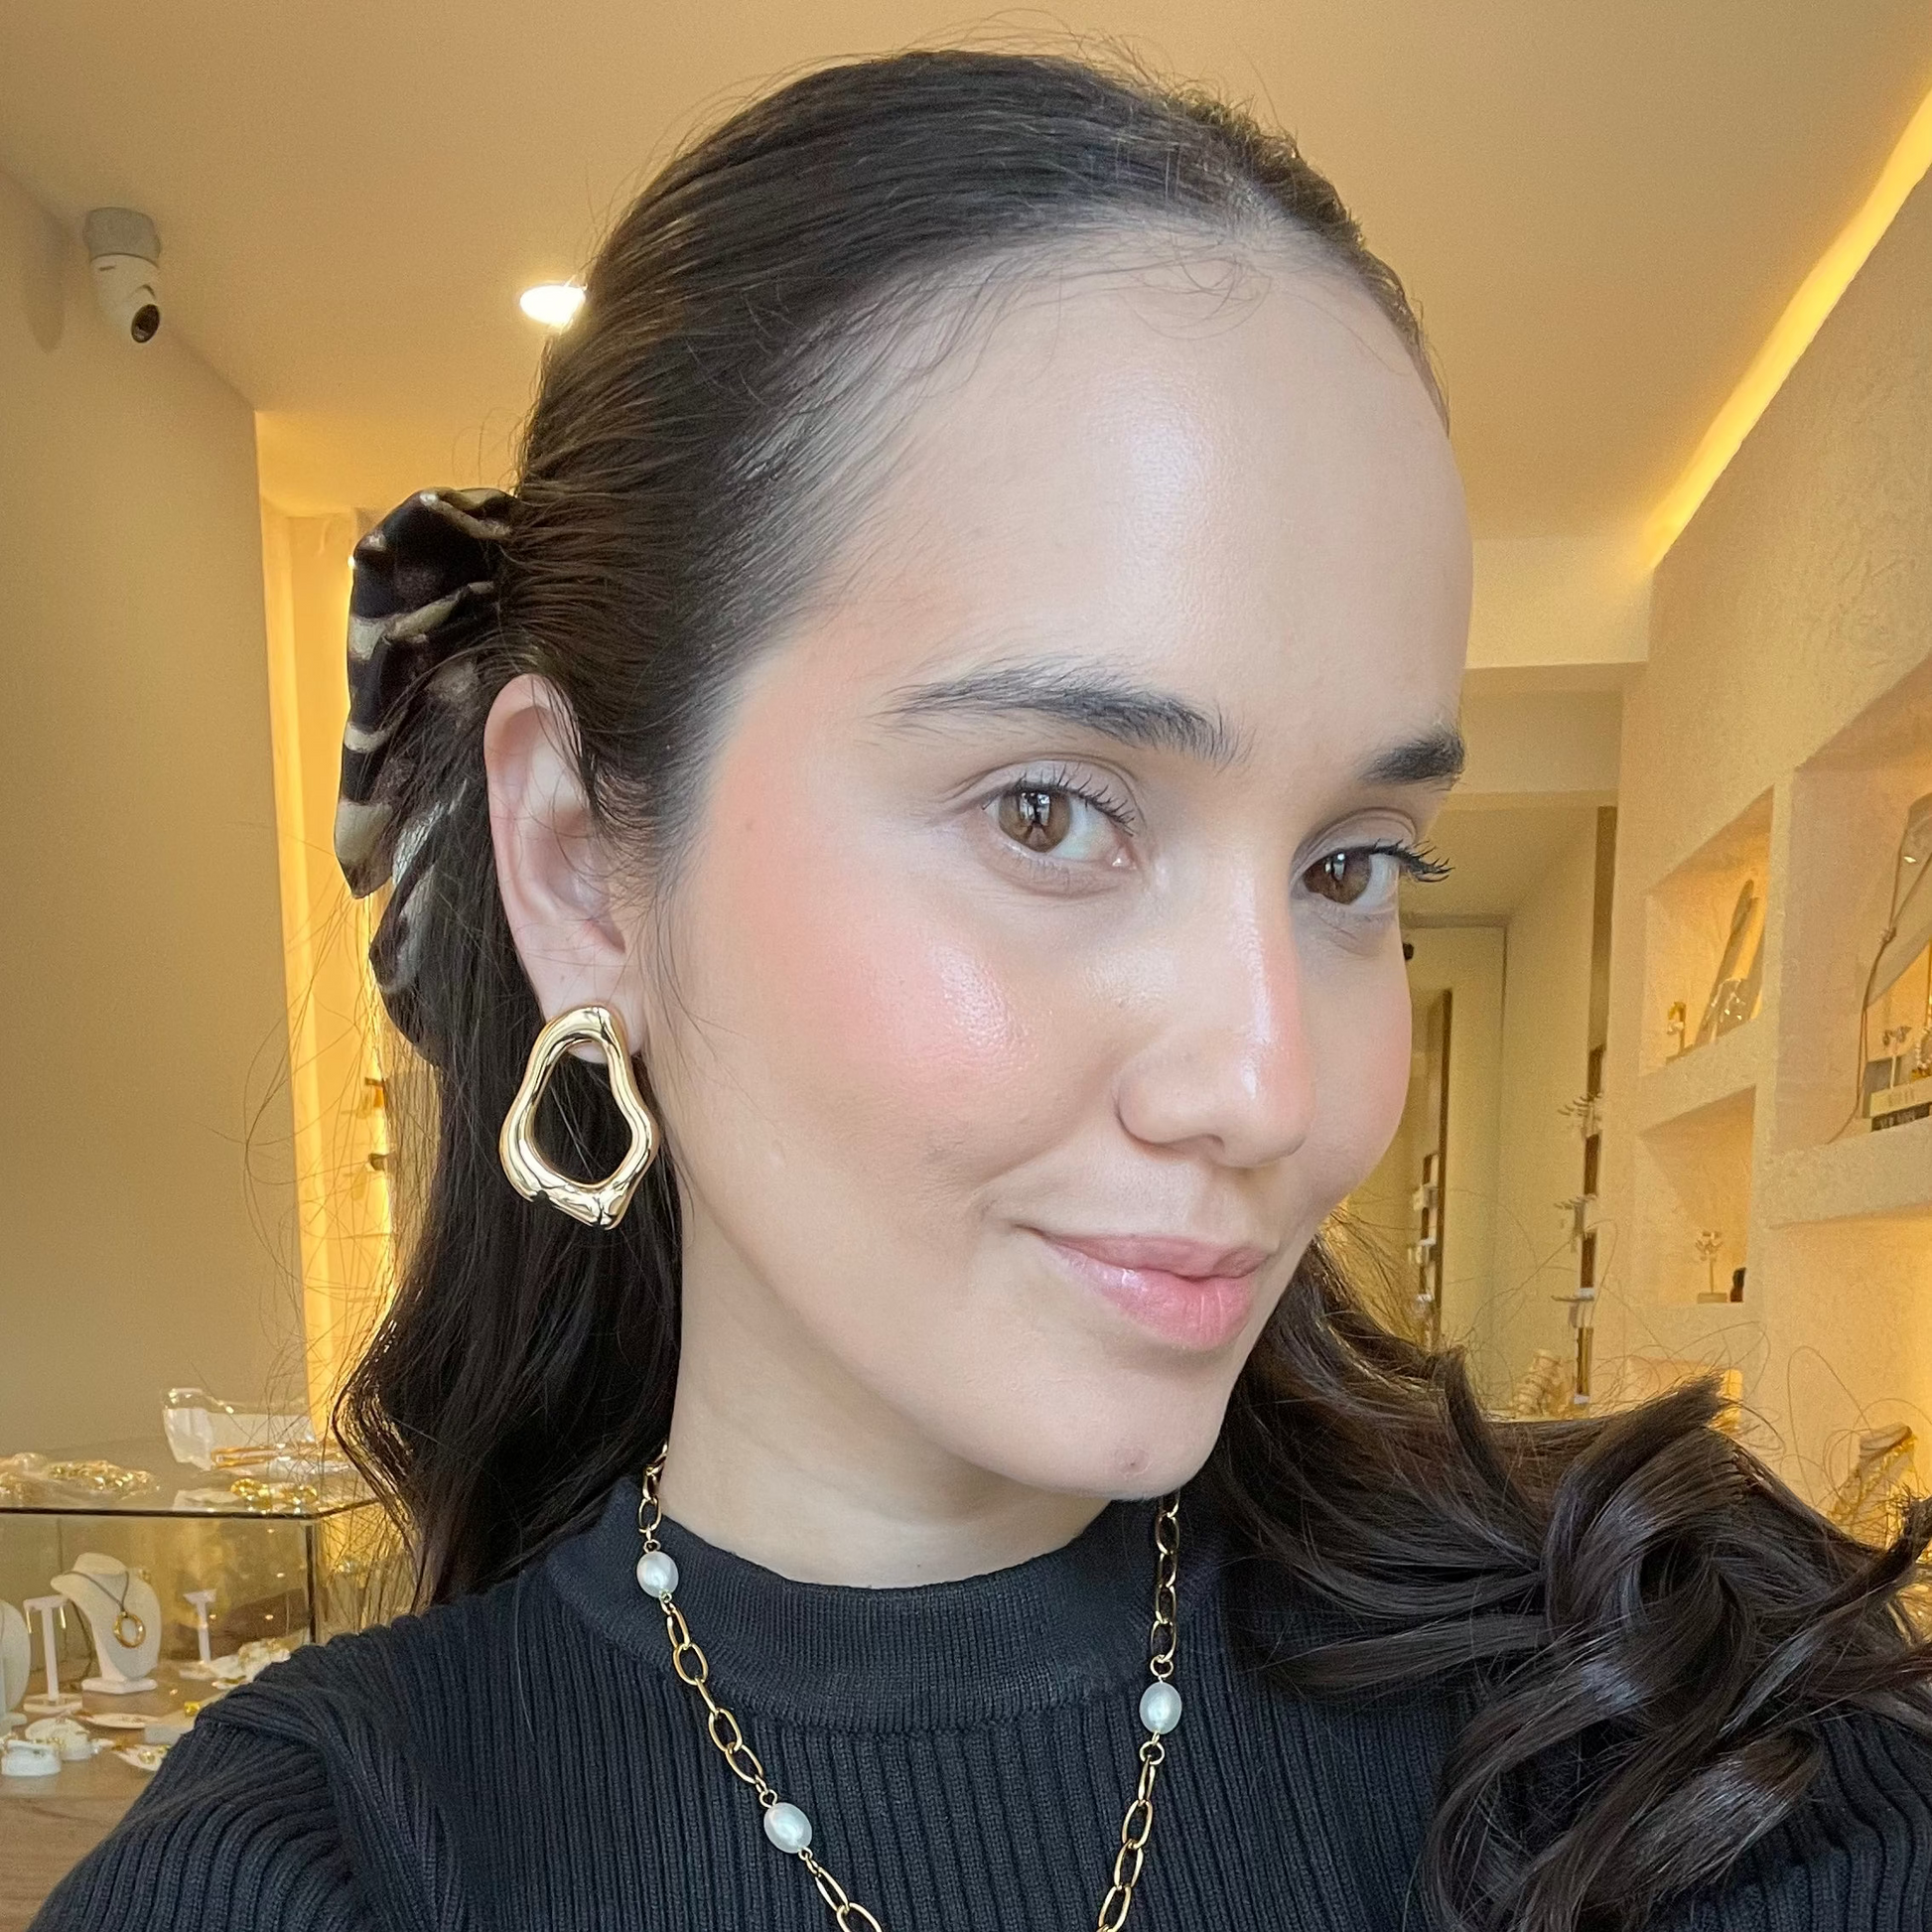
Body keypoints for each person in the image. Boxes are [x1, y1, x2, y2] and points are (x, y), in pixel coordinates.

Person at [36, 50, 1932, 1932]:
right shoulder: (320, 1858)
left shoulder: (1679, 1729)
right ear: (573, 861)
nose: (1272, 1090)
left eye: (1352, 864)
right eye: (1049, 812)